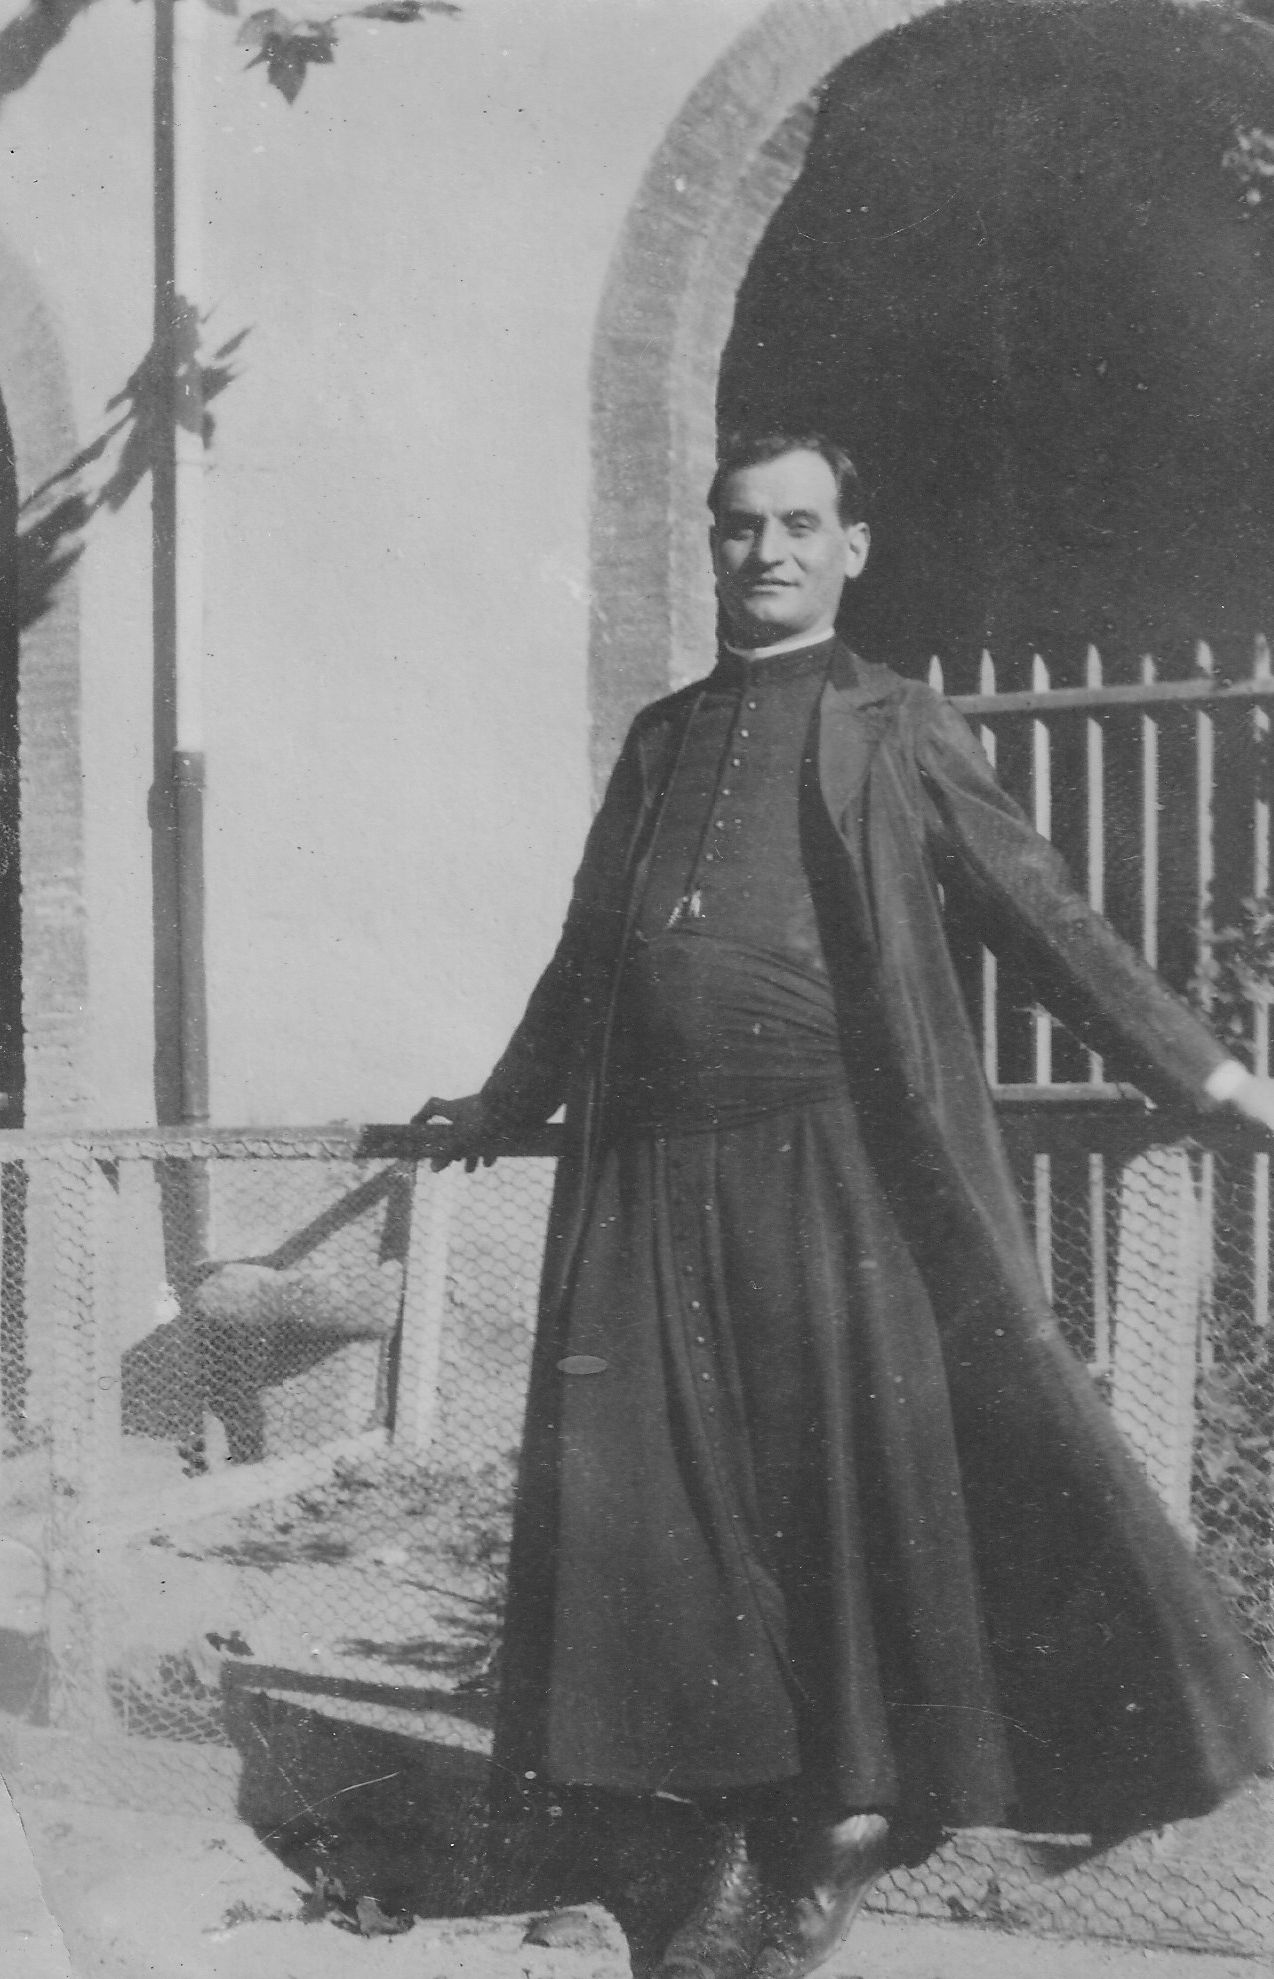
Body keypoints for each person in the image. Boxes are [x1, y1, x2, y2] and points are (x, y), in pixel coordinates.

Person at [418, 432, 1274, 1979]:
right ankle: (711, 1839)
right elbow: (587, 952)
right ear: (711, 546)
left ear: (851, 548)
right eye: (740, 528)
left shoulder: (893, 721)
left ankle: (853, 1819)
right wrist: (499, 1103)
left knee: (841, 1498)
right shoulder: (662, 735)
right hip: (652, 1177)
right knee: (669, 1508)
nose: (766, 553)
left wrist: (1209, 1075)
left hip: (827, 1167)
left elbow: (1036, 910)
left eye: (799, 526)